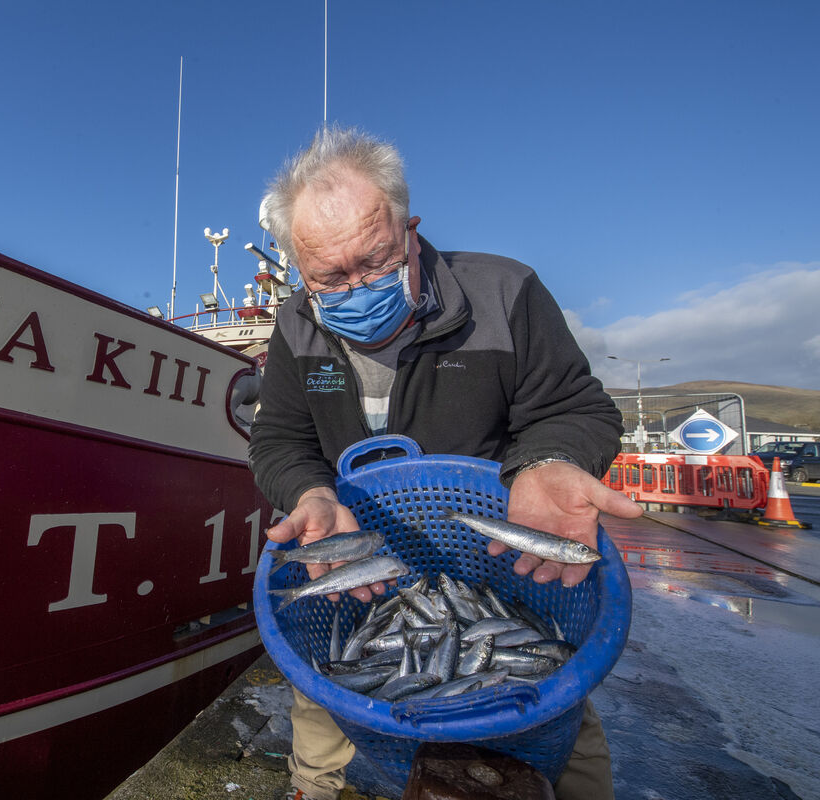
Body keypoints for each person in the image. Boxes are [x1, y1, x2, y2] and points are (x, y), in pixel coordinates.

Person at [248, 126, 644, 800]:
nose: (357, 287)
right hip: (351, 576)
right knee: (322, 737)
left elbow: (577, 407)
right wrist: (309, 492)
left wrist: (547, 459)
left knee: (559, 740)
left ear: (409, 228)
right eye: (330, 277)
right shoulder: (294, 325)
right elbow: (280, 440)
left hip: (501, 572)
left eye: (374, 261)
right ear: (298, 267)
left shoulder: (504, 292)